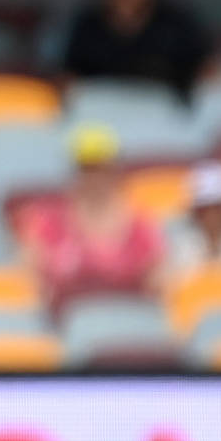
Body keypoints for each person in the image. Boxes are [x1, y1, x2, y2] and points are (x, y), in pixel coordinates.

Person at [18, 125, 166, 317]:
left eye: (99, 168)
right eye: (86, 169)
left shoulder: (141, 225)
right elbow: (30, 281)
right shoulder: (48, 223)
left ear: (113, 170)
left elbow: (159, 284)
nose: (93, 178)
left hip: (128, 322)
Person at [61, 0, 215, 101]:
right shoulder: (86, 26)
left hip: (166, 122)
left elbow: (210, 73)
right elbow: (68, 79)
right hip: (103, 119)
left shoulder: (179, 24)